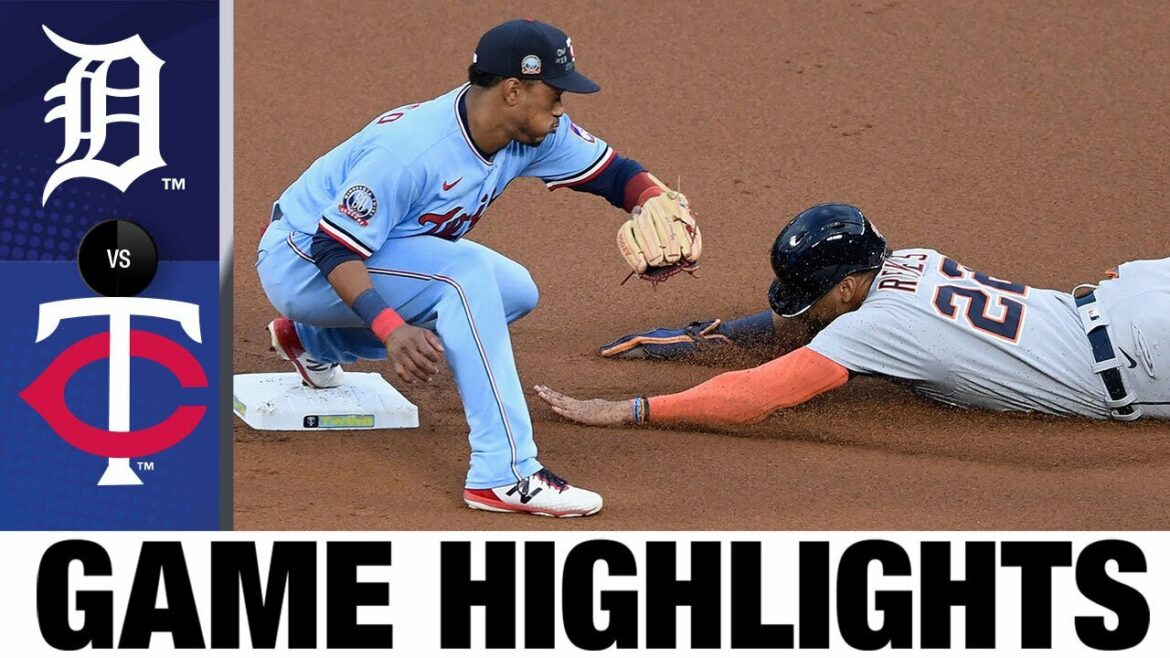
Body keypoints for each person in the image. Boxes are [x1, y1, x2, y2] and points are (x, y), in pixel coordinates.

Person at [256, 19, 702, 518]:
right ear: (513, 90)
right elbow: (334, 249)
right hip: (301, 261)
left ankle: (313, 341)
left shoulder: (527, 130)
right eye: (554, 95)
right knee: (465, 277)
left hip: (377, 248)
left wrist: (651, 199)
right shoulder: (411, 151)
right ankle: (503, 474)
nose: (561, 110)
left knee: (513, 291)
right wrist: (391, 328)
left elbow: (614, 173)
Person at [536, 203, 1170, 427]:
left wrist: (635, 409)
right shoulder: (912, 260)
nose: (806, 312)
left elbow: (758, 396)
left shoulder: (876, 329)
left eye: (814, 298)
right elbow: (796, 330)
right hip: (1128, 296)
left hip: (1144, 359)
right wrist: (710, 336)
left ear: (844, 291)